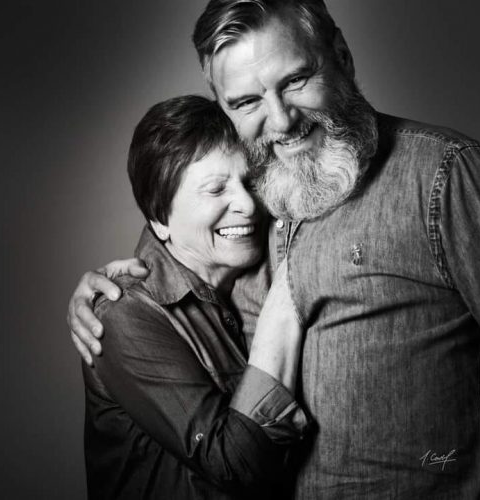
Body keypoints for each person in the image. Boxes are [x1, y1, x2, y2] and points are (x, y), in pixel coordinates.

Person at [68, 1, 480, 497]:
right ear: (225, 107)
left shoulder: (444, 176)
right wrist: (111, 292)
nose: (281, 120)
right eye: (246, 101)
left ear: (341, 56)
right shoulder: (266, 190)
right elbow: (183, 222)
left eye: (294, 80)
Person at [82, 94, 309, 500]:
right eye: (215, 189)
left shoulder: (250, 268)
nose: (246, 204)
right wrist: (285, 305)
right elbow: (233, 464)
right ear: (160, 218)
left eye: (248, 180)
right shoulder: (123, 315)